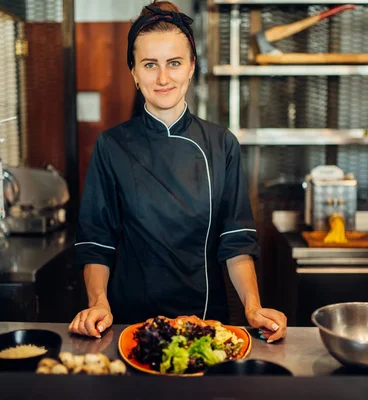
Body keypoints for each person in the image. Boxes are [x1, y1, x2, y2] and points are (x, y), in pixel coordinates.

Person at [69, 1, 287, 344]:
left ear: (191, 67)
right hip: (128, 328)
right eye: (149, 65)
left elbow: (236, 241)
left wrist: (253, 307)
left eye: (174, 63)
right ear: (133, 72)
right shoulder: (111, 146)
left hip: (203, 324)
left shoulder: (221, 144)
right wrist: (98, 303)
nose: (162, 77)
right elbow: (97, 243)